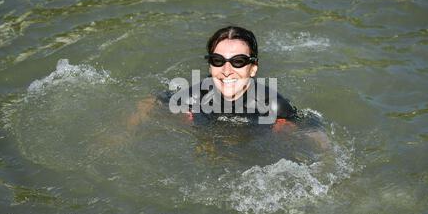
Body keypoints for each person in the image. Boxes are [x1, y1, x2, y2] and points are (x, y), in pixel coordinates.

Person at [128, 26, 325, 139]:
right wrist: (122, 135)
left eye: (238, 61)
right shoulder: (194, 96)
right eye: (218, 60)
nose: (227, 70)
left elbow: (314, 129)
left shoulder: (274, 105)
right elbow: (149, 102)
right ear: (210, 66)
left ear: (253, 68)